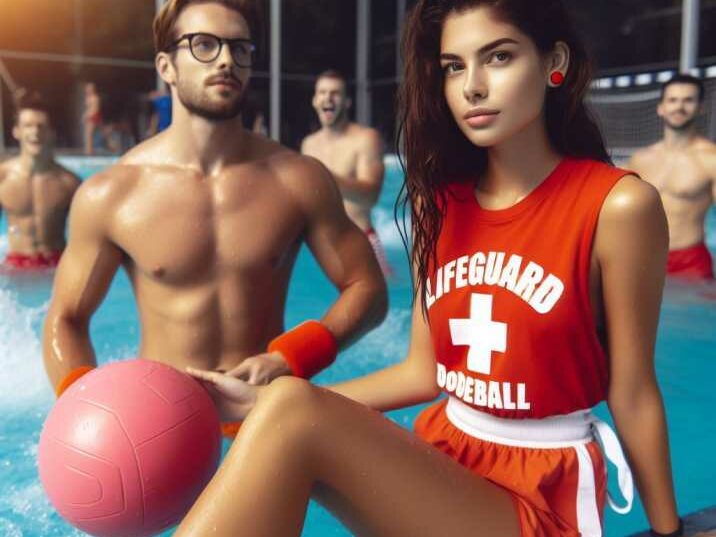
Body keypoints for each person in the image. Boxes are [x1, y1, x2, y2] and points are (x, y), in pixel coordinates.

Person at [174, 1, 682, 537]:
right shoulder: (437, 203)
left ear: (553, 61)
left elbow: (634, 391)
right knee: (284, 403)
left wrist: (670, 531)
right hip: (445, 459)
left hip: (539, 491)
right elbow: (423, 373)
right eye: (454, 67)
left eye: (499, 57)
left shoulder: (617, 206)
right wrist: (260, 403)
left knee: (291, 406)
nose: (473, 87)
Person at [42, 0, 387, 435]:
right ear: (166, 66)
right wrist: (89, 414)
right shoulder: (111, 194)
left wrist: (291, 357)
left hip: (267, 424)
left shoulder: (298, 179)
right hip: (163, 431)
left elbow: (369, 290)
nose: (227, 59)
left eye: (240, 48)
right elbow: (66, 318)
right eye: (204, 45)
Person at [302, 70, 393, 276]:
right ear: (315, 101)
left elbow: (370, 197)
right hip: (322, 247)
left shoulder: (366, 139)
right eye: (322, 93)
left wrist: (325, 176)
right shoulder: (309, 144)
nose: (328, 98)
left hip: (362, 241)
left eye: (335, 93)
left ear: (347, 102)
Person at [628, 75, 716, 280]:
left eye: (688, 100)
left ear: (700, 107)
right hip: (644, 258)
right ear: (661, 108)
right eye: (673, 100)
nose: (679, 107)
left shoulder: (711, 160)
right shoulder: (640, 160)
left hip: (690, 261)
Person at [0, 90, 80, 270]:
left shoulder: (69, 183)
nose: (35, 132)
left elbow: (85, 243)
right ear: (16, 131)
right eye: (28, 125)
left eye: (41, 126)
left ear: (52, 132)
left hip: (55, 267)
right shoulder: (2, 178)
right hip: (15, 267)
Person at [82, 82, 103, 155]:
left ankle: (89, 151)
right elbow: (88, 108)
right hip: (90, 116)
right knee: (88, 134)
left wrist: (86, 116)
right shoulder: (87, 98)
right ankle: (88, 150)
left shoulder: (95, 98)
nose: (87, 90)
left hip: (93, 117)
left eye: (89, 88)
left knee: (88, 134)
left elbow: (95, 109)